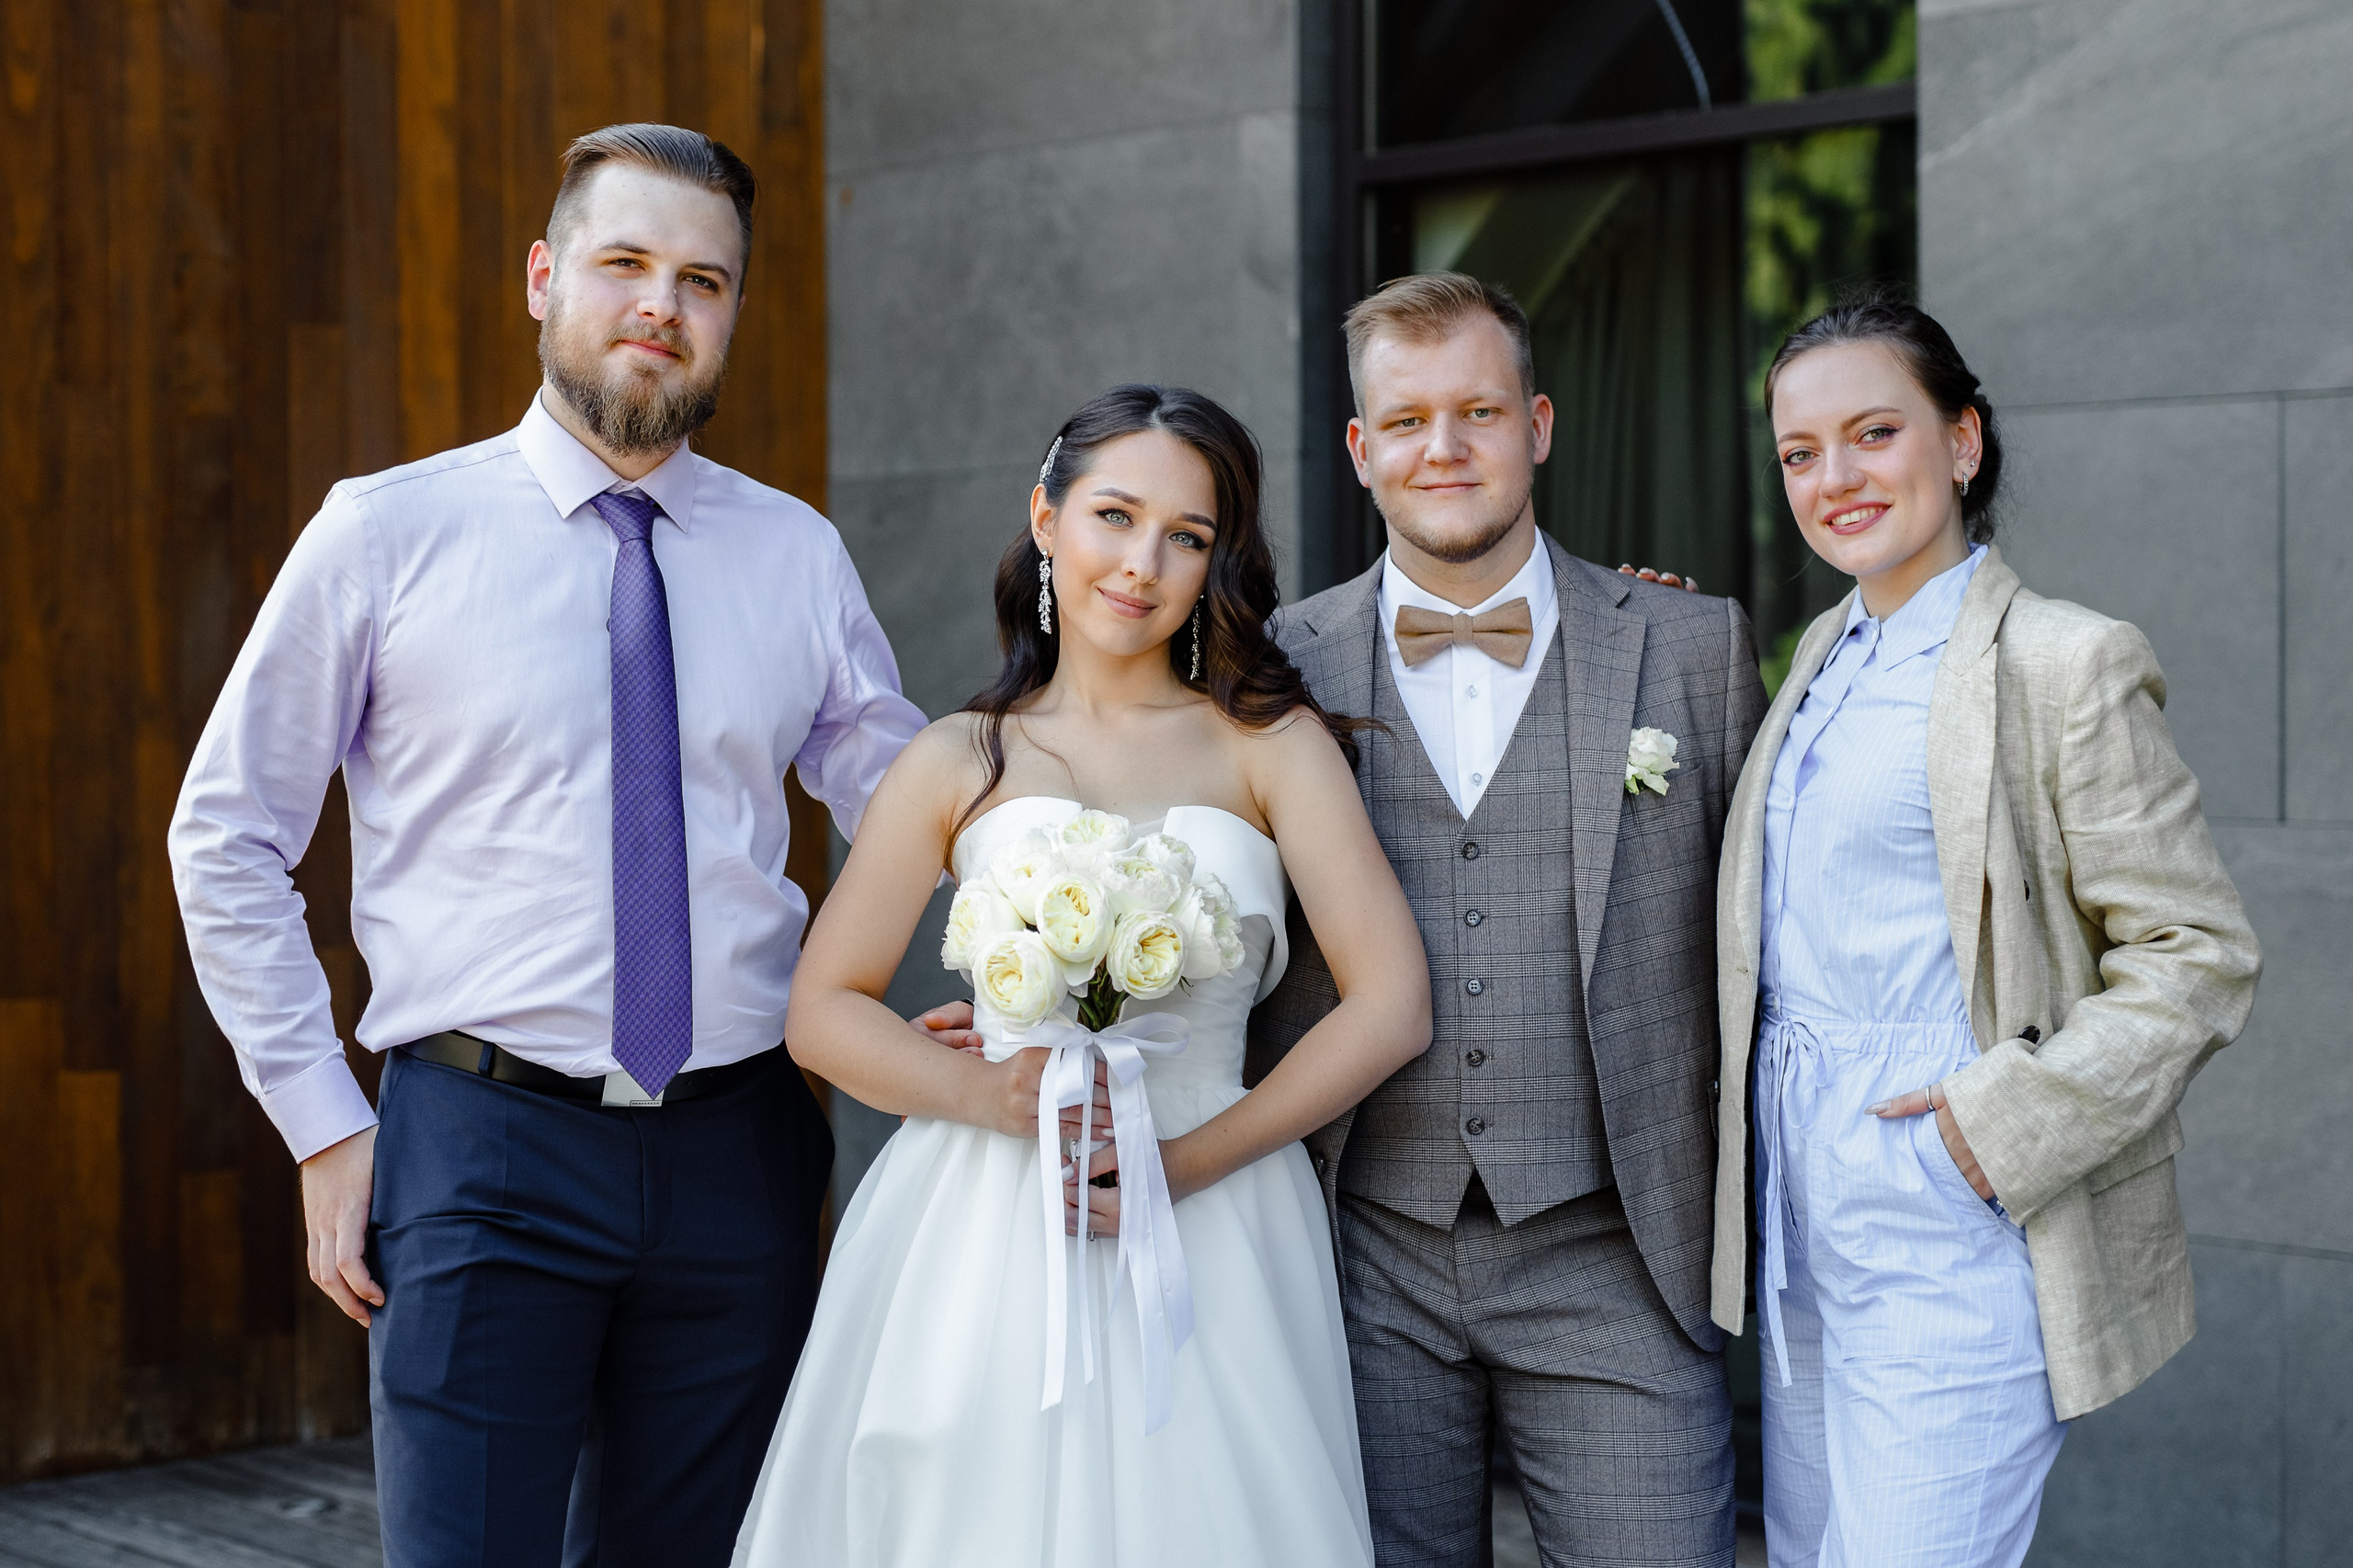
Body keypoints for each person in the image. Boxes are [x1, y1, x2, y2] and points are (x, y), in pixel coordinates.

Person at [166, 124, 929, 1567]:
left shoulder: (795, 555)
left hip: (743, 1151)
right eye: (625, 262)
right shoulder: (384, 536)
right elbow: (225, 837)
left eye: (704, 280)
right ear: (542, 275)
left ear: (732, 313)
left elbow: (910, 800)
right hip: (481, 1149)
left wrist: (1017, 966)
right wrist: (328, 1128)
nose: (663, 305)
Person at [732, 384, 1433, 1567]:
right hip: (979, 1215)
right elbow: (821, 1009)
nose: (1142, 562)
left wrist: (1185, 1163)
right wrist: (988, 1095)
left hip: (1215, 1203)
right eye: (1113, 514)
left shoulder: (1270, 742)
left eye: (1188, 536)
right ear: (1046, 520)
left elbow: (1392, 1004)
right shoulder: (961, 754)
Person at [1709, 293, 2262, 1567]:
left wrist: (1998, 1125)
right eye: (1800, 451)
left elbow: (2200, 950)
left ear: (1961, 442)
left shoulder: (2066, 661)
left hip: (1947, 1219)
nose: (1834, 477)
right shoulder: (1819, 660)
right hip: (1798, 1234)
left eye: (1873, 433)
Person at [1247, 272, 1768, 1566]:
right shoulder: (1272, 664)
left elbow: (1771, 933)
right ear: (1363, 452)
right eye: (1410, 419)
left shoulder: (1692, 647)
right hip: (1360, 1245)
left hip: (1619, 1249)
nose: (1446, 446)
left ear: (1536, 425)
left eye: (1478, 410)